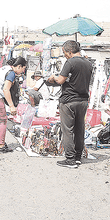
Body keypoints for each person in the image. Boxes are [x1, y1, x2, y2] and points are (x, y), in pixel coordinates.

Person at [46, 40, 93, 169]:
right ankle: (78, 157)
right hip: (83, 101)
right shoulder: (88, 63)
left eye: (65, 53)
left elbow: (61, 80)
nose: (65, 55)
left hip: (68, 101)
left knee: (67, 130)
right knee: (79, 129)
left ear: (70, 51)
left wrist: (53, 78)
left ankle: (70, 159)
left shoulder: (70, 62)